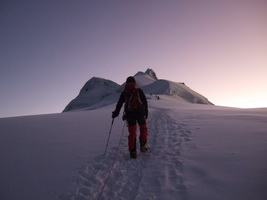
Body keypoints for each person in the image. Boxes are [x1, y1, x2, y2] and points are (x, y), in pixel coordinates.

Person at [112, 76, 148, 159]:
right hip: (140, 114)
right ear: (134, 82)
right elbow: (145, 102)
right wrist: (146, 113)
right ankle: (143, 146)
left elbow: (119, 104)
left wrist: (115, 113)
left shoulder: (125, 92)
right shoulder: (138, 91)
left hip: (129, 115)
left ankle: (132, 152)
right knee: (143, 129)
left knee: (132, 133)